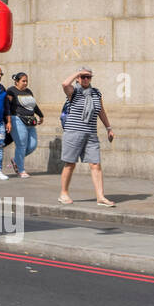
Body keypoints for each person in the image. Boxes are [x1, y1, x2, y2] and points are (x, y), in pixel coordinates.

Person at [58, 67, 115, 206]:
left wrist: (109, 128)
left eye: (88, 77)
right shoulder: (74, 91)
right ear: (78, 78)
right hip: (73, 132)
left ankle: (100, 197)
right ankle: (63, 193)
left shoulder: (96, 93)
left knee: (95, 164)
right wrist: (77, 72)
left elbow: (101, 111)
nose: (85, 79)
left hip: (91, 133)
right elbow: (65, 84)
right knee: (70, 163)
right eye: (82, 76)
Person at [5, 72, 43, 178]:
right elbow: (7, 106)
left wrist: (41, 115)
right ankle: (21, 170)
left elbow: (33, 105)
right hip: (17, 119)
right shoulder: (11, 91)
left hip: (30, 120)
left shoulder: (28, 91)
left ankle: (16, 160)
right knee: (21, 145)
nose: (25, 83)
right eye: (23, 81)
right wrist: (7, 120)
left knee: (32, 145)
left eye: (26, 81)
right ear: (16, 82)